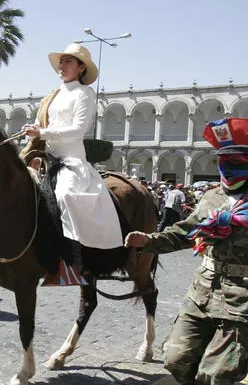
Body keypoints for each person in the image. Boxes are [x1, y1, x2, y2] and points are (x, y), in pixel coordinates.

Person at [126, 118, 248, 385]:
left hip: (242, 299)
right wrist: (147, 240)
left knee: (215, 375)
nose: (228, 167)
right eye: (223, 161)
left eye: (237, 162)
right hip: (202, 292)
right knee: (175, 359)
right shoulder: (212, 196)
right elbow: (185, 232)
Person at [21, 43, 122, 251]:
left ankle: (72, 255)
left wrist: (42, 132)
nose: (62, 65)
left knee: (65, 194)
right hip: (44, 156)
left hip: (69, 160)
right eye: (61, 61)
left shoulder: (84, 93)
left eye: (68, 61)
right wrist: (34, 128)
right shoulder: (52, 96)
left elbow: (78, 130)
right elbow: (42, 123)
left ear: (81, 67)